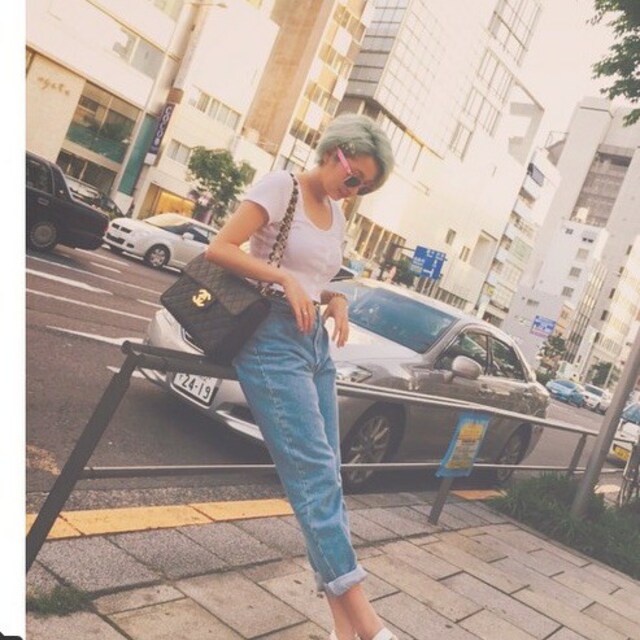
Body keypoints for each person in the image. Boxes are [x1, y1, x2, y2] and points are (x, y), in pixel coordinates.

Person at [205, 113, 397, 640]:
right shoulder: (280, 186)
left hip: (314, 344)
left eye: (364, 187)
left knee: (327, 476)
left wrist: (336, 299)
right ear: (334, 152)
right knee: (313, 476)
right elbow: (219, 248)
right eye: (352, 177)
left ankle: (343, 630)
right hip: (269, 337)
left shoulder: (336, 215)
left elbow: (314, 279)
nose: (353, 190)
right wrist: (282, 277)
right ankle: (369, 628)